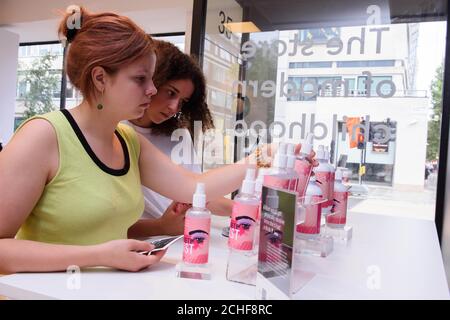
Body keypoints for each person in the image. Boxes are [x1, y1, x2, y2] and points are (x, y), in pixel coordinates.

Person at [0, 7, 313, 274]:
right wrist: (98, 255)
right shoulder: (42, 136)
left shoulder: (128, 141)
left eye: (152, 79)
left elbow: (194, 187)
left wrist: (262, 157)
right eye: (140, 79)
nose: (152, 90)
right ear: (100, 78)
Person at [125, 40, 232, 236]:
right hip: (143, 242)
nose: (174, 108)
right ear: (151, 82)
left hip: (182, 238)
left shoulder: (179, 135)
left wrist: (243, 210)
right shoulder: (119, 133)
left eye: (182, 101)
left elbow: (197, 192)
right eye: (170, 93)